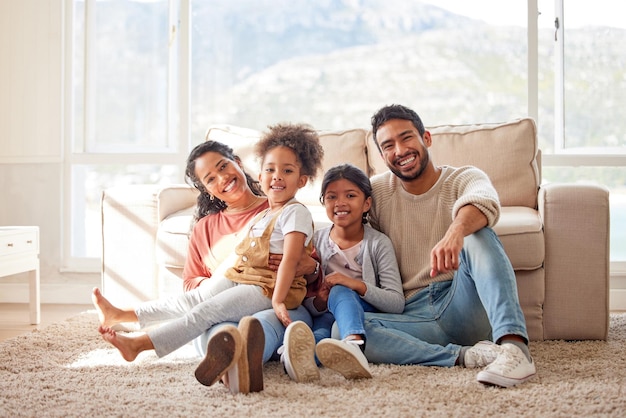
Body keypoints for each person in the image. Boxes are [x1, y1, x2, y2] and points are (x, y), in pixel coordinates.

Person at [92, 122, 324, 392]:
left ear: (238, 163)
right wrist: (222, 292)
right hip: (235, 292)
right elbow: (191, 286)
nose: (222, 178)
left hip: (276, 299)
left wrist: (312, 268)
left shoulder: (282, 209)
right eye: (210, 179)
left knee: (247, 324)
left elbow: (308, 262)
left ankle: (229, 362)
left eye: (223, 166)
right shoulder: (213, 226)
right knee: (212, 320)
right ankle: (124, 315)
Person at [361, 104, 536, 388]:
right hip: (412, 316)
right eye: (388, 145)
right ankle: (466, 356)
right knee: (348, 330)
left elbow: (485, 200)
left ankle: (515, 348)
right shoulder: (377, 192)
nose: (400, 150)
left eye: (407, 138)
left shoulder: (464, 177)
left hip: (461, 303)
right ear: (382, 156)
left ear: (426, 138)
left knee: (478, 234)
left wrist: (456, 230)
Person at [279, 164, 405, 382]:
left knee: (341, 291)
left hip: (362, 311)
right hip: (326, 314)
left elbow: (396, 303)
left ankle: (354, 344)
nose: (340, 203)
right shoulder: (314, 241)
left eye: (350, 195)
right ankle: (298, 361)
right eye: (331, 197)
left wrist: (352, 284)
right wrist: (319, 301)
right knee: (319, 335)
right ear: (323, 203)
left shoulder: (378, 243)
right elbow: (308, 303)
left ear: (367, 203)